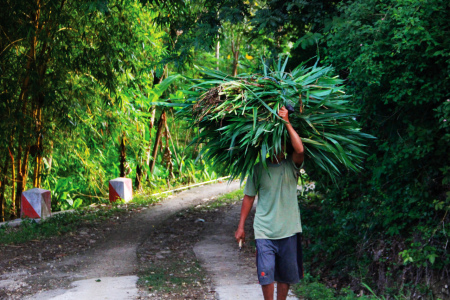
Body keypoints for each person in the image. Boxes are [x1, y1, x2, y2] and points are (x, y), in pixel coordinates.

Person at [235, 106, 304, 300]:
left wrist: (286, 121)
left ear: (284, 146)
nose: (277, 148)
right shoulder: (258, 170)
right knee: (266, 275)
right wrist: (241, 226)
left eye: (281, 144)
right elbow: (248, 197)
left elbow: (300, 149)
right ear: (266, 146)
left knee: (285, 276)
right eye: (272, 144)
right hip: (264, 231)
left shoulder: (292, 166)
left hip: (288, 230)